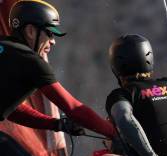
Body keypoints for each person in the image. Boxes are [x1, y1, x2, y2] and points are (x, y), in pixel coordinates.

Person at [0, 0, 116, 138]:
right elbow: (74, 109)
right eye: (49, 33)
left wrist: (56, 124)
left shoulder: (5, 46)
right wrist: (115, 133)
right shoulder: (31, 61)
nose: (53, 41)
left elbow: (10, 108)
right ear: (30, 31)